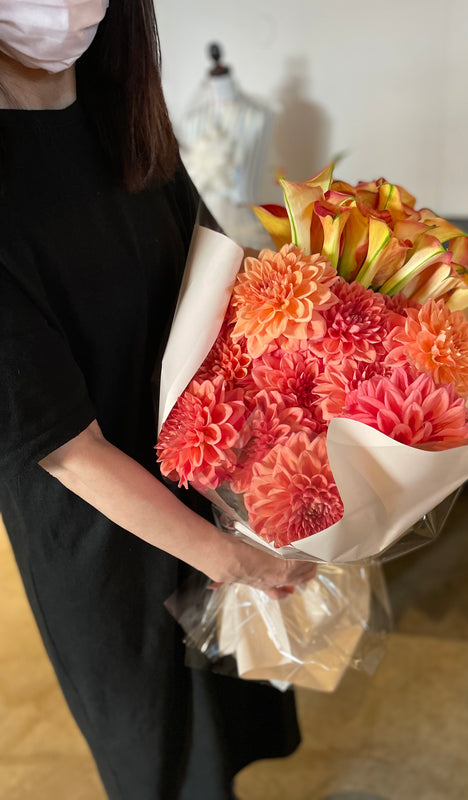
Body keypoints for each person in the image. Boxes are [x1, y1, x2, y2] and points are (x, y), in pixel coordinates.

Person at [0, 2, 316, 799]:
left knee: (230, 710)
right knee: (160, 746)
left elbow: (211, 280)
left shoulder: (123, 117)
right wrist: (224, 555)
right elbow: (66, 447)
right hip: (101, 530)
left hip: (207, 479)